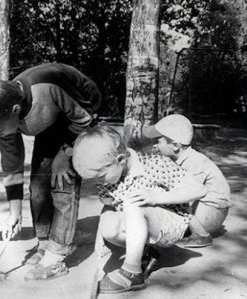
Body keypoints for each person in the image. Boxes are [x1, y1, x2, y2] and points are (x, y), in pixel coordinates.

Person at [0, 63, 102, 280]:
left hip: (81, 114)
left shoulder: (47, 86)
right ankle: (45, 242)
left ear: (15, 111)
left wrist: (65, 155)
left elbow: (85, 119)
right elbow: (12, 164)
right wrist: (14, 211)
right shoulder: (4, 114)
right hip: (50, 118)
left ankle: (57, 253)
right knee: (38, 184)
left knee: (62, 179)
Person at [72, 124, 206, 294]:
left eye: (99, 177)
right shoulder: (108, 178)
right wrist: (102, 234)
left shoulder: (154, 164)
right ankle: (143, 252)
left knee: (133, 201)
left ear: (120, 160)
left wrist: (156, 197)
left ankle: (132, 272)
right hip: (141, 223)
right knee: (107, 224)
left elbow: (199, 189)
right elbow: (109, 205)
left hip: (171, 223)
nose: (98, 183)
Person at [143, 114, 231, 247]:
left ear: (176, 146)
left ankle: (201, 235)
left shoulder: (194, 162)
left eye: (159, 141)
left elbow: (190, 194)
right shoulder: (181, 158)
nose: (155, 145)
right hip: (204, 210)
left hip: (212, 212)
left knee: (173, 196)